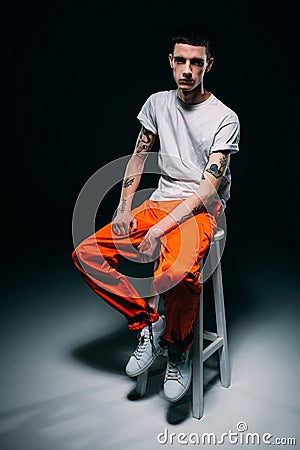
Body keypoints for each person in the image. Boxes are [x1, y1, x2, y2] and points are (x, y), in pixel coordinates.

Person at [72, 23, 240, 403]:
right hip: (157, 202)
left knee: (176, 273)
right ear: (170, 61)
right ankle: (150, 323)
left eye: (195, 62)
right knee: (86, 255)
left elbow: (209, 187)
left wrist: (161, 228)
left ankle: (177, 349)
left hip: (197, 210)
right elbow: (138, 156)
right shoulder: (157, 103)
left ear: (208, 65)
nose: (186, 70)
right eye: (179, 60)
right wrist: (122, 207)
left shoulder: (224, 117)